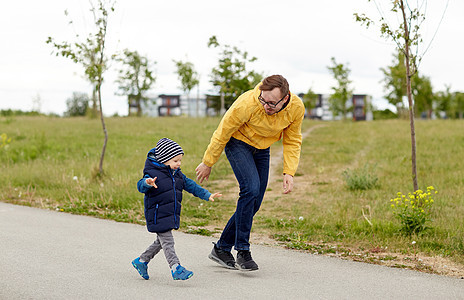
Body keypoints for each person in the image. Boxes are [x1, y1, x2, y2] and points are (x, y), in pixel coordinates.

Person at [195, 74, 305, 271]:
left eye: (271, 103)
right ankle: (243, 251)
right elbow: (222, 132)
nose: (265, 106)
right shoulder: (247, 103)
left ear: (285, 98)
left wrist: (289, 172)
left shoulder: (296, 108)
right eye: (263, 100)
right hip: (238, 144)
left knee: (254, 202)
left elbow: (293, 139)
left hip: (262, 148)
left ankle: (221, 248)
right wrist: (208, 162)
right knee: (250, 189)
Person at [132, 137, 222, 281]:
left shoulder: (177, 174)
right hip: (157, 214)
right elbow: (140, 185)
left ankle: (142, 261)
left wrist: (207, 194)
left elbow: (191, 186)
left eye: (180, 160)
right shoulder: (153, 174)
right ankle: (176, 268)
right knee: (168, 241)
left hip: (169, 213)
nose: (179, 164)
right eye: (175, 161)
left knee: (161, 242)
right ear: (164, 159)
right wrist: (147, 183)